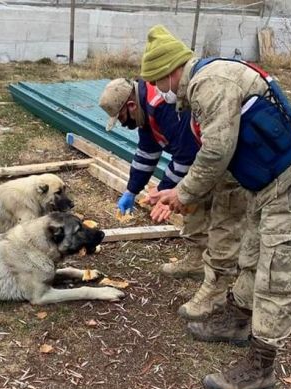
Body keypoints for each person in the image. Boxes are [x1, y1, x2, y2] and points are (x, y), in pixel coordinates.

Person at [141, 25, 291, 389]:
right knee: (252, 255)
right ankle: (238, 320)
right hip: (265, 183)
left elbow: (217, 150)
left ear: (170, 71)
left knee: (277, 273)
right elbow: (216, 152)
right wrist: (178, 191)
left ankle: (261, 367)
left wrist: (184, 194)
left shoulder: (210, 82)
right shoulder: (200, 87)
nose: (158, 91)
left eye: (157, 81)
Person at [99, 77, 246, 320]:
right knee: (189, 200)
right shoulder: (145, 112)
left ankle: (217, 290)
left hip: (225, 158)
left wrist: (166, 191)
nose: (125, 124)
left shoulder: (164, 107)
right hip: (202, 160)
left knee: (221, 215)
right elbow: (146, 153)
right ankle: (197, 259)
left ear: (131, 106)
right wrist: (131, 190)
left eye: (122, 118)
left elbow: (185, 156)